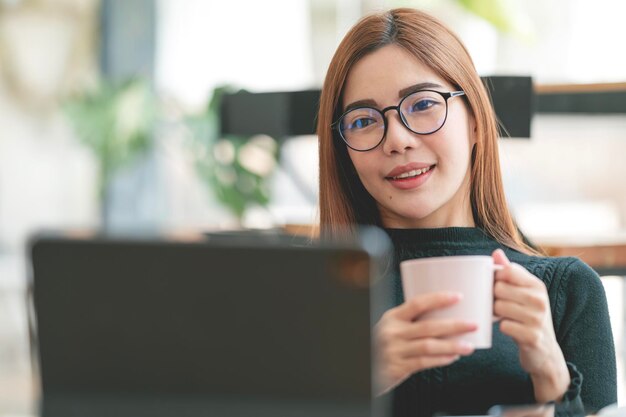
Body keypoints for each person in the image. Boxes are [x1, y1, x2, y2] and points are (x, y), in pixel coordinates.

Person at [316, 7, 616, 417]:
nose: (398, 140)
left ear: (475, 121)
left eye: (422, 104)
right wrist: (353, 385)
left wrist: (552, 379)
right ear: (343, 150)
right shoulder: (309, 296)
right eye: (364, 120)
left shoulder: (567, 291)